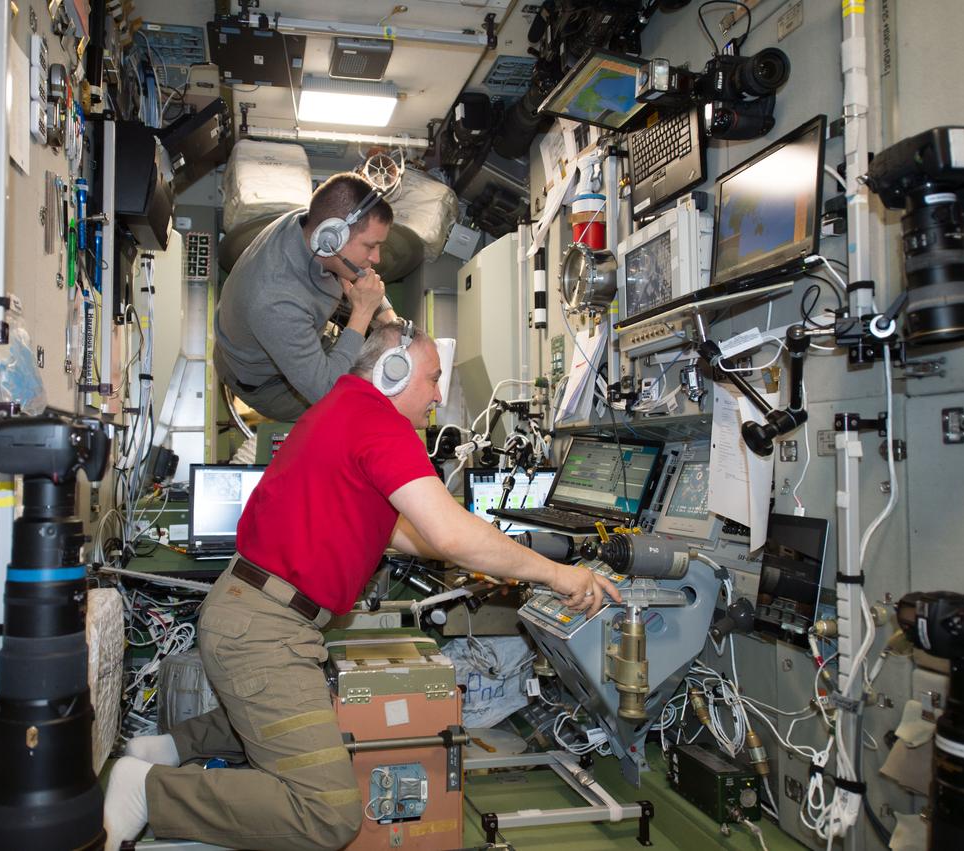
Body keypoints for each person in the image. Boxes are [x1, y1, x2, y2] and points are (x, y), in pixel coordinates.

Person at [103, 321, 622, 851]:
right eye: (433, 379)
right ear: (392, 373)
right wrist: (556, 572)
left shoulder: (343, 409)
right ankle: (152, 792)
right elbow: (446, 531)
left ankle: (163, 751)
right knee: (327, 814)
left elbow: (404, 531)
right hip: (264, 630)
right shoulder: (378, 424)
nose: (439, 396)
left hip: (250, 613)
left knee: (283, 717)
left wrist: (485, 553)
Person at [213, 172, 398, 423]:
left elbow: (359, 273)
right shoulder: (275, 300)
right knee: (358, 409)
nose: (376, 258)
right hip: (267, 384)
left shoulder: (313, 229)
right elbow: (328, 391)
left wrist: (387, 317)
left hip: (292, 332)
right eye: (370, 246)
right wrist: (363, 312)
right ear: (332, 237)